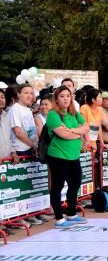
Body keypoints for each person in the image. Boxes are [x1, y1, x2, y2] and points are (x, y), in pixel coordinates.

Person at [47, 86, 90, 228]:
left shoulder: (74, 113)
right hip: (58, 155)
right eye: (62, 96)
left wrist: (72, 130)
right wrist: (78, 133)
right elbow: (63, 134)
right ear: (56, 99)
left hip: (74, 155)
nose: (65, 99)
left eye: (68, 95)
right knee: (58, 186)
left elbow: (86, 127)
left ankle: (72, 213)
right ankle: (59, 219)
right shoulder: (53, 114)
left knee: (75, 184)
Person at [9, 83, 37, 157]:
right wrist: (33, 144)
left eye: (31, 93)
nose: (29, 96)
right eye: (26, 93)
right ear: (18, 94)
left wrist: (35, 143)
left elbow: (32, 130)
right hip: (20, 149)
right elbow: (18, 133)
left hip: (30, 148)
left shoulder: (28, 109)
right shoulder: (15, 109)